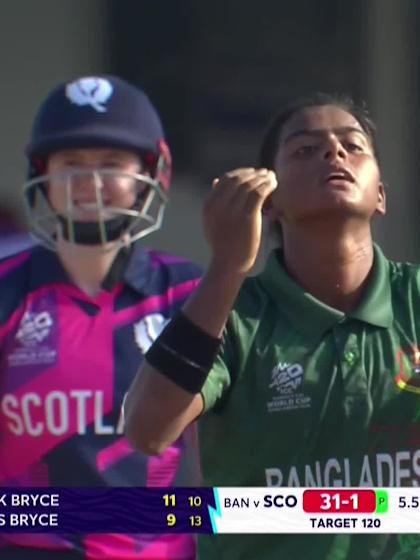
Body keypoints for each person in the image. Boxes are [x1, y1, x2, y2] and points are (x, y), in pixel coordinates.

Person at [125, 92, 420, 560]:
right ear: (272, 201)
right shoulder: (233, 315)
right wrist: (227, 264)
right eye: (305, 149)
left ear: (380, 193)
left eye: (353, 145)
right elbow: (147, 430)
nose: (334, 153)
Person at [0, 75, 201, 559]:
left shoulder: (191, 291)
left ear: (151, 173)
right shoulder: (6, 287)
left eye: (112, 164)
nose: (89, 182)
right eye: (71, 163)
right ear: (42, 174)